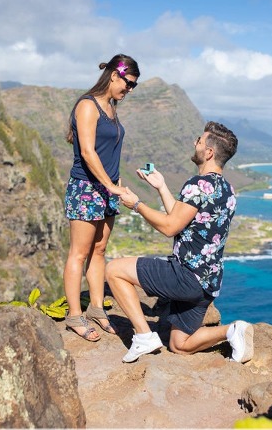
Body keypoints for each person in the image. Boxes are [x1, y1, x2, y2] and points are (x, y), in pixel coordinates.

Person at [106, 121, 253, 363]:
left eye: (199, 141)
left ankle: (144, 336)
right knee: (180, 345)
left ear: (209, 152)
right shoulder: (227, 189)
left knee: (113, 270)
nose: (195, 143)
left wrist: (136, 204)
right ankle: (233, 330)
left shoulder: (197, 184)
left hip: (186, 275)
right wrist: (162, 187)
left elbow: (170, 226)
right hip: (208, 283)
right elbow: (181, 217)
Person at [62, 54, 140, 342]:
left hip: (107, 189)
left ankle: (96, 308)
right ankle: (74, 316)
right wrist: (112, 186)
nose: (129, 90)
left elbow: (107, 152)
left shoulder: (111, 106)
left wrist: (114, 183)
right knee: (79, 253)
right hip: (86, 188)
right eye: (128, 83)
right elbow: (87, 152)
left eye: (133, 86)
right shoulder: (87, 105)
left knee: (99, 251)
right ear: (114, 75)